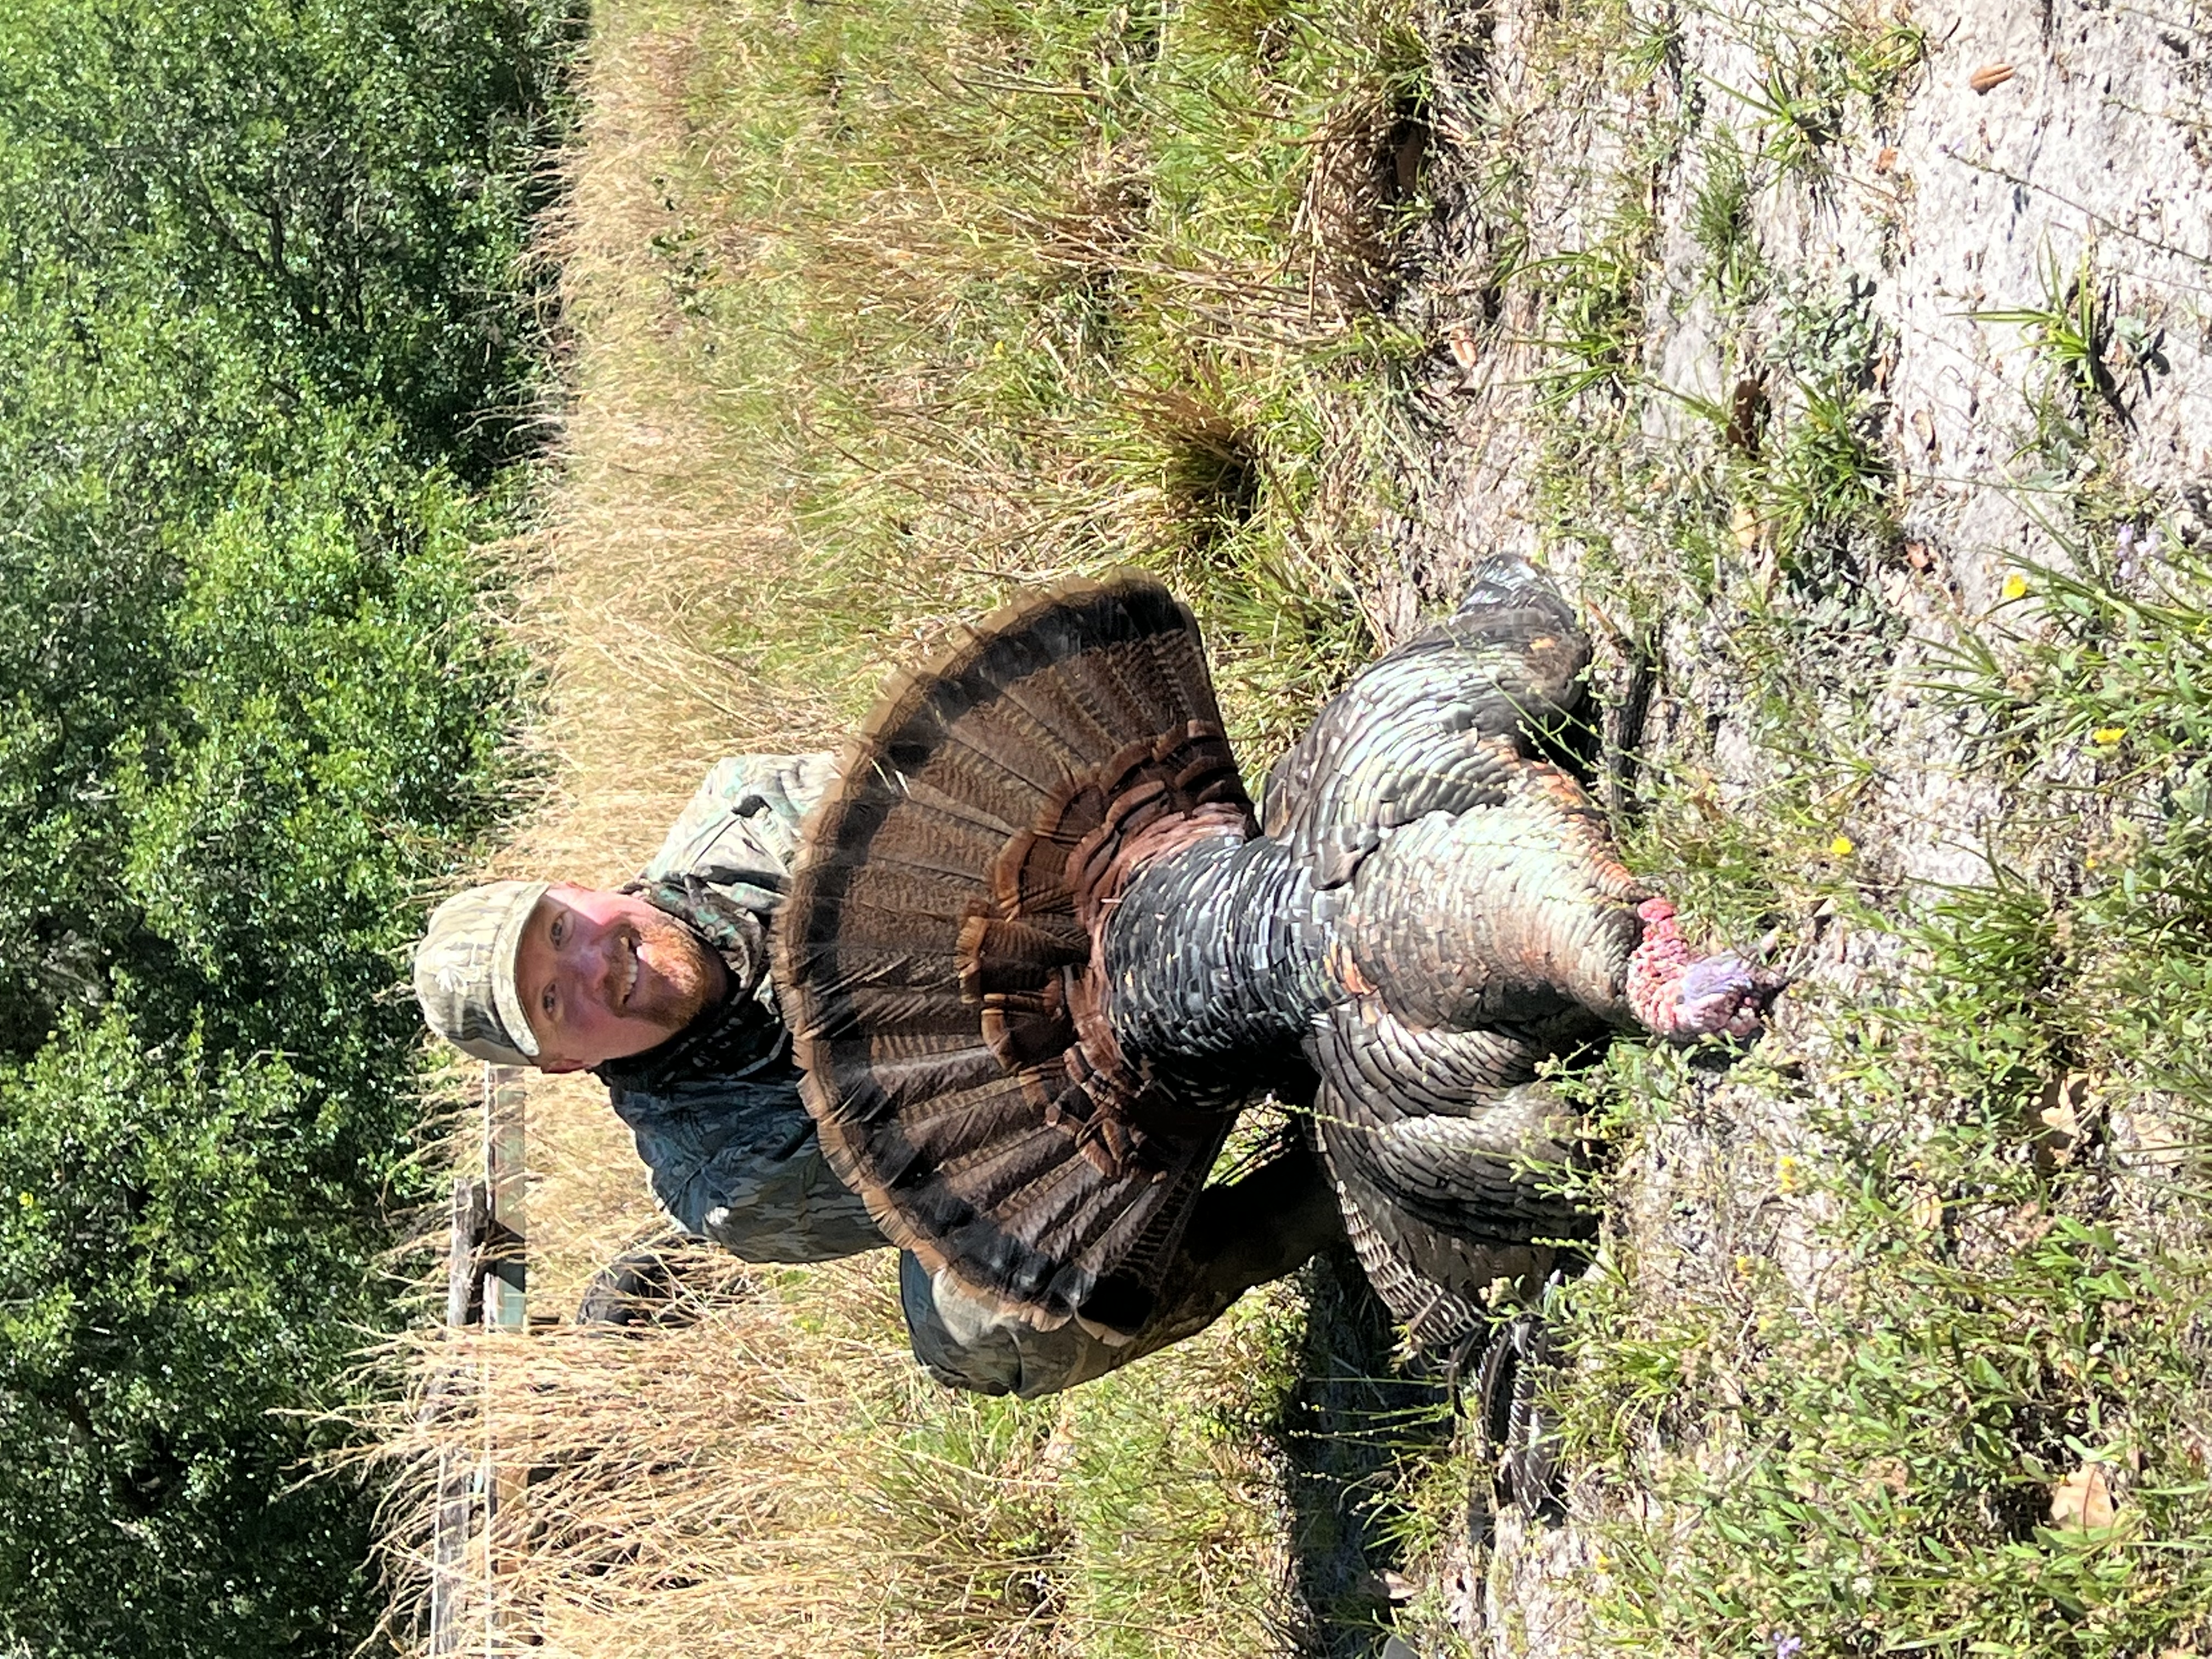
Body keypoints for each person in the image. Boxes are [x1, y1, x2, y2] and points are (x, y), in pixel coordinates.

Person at [413, 753, 1342, 1396]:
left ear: (573, 889)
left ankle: (1280, 905)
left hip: (1106, 912)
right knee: (974, 1329)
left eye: (559, 931)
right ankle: (1331, 1193)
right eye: (549, 1002)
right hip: (1065, 1124)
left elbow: (997, 796)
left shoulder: (752, 810)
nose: (591, 968)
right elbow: (967, 1192)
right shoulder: (729, 1183)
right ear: (567, 1062)